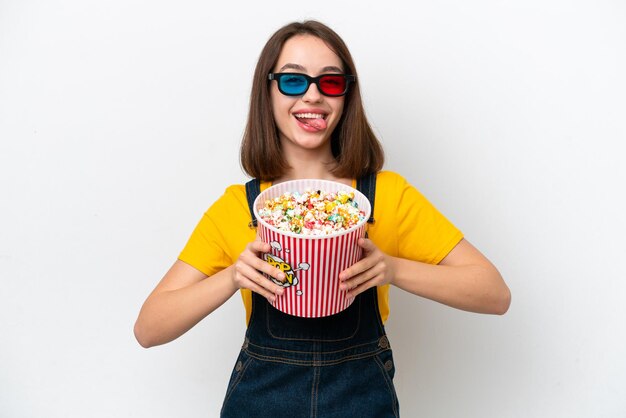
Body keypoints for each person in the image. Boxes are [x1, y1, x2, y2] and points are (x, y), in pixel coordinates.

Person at [134, 20, 511, 417]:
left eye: (330, 83)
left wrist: (392, 269)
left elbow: (494, 294)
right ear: (267, 92)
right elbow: (149, 328)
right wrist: (232, 278)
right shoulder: (238, 208)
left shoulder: (388, 196)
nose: (313, 95)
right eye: (293, 82)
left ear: (347, 96)